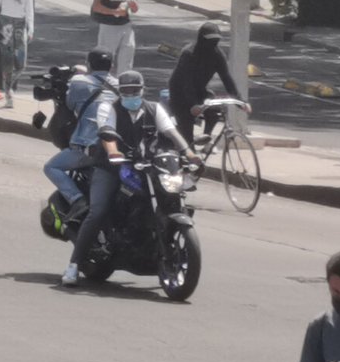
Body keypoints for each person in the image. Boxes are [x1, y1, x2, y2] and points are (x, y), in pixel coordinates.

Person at [64, 67, 177, 286]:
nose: (131, 95)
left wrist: (190, 153)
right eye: (127, 91)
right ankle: (73, 266)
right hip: (111, 167)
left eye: (136, 90)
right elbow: (106, 130)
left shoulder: (154, 109)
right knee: (98, 211)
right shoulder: (109, 107)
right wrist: (113, 151)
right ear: (120, 92)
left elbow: (171, 132)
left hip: (145, 166)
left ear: (143, 90)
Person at [43, 49, 116, 234]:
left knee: (51, 167)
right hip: (117, 147)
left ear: (90, 65)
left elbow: (70, 103)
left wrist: (78, 73)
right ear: (112, 66)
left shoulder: (79, 83)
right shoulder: (120, 85)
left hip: (89, 147)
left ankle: (77, 199)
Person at [169, 22, 245, 147]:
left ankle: (206, 139)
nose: (213, 43)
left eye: (216, 40)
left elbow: (226, 78)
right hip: (180, 95)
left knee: (214, 109)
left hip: (199, 90)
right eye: (210, 40)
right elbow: (186, 82)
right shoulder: (189, 54)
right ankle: (188, 153)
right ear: (201, 39)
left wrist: (240, 101)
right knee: (187, 137)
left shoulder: (217, 55)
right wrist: (194, 105)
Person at [93, 0, 140, 74]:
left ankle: (124, 87)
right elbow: (96, 7)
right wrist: (114, 11)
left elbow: (134, 9)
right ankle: (104, 88)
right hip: (109, 26)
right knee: (105, 61)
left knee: (127, 58)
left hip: (126, 26)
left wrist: (134, 6)